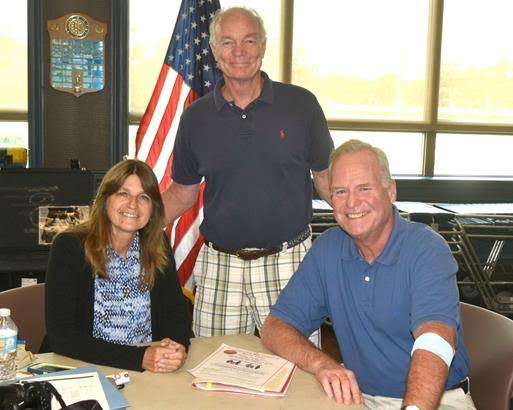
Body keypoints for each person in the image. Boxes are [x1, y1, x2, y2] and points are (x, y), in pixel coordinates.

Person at [261, 140, 476, 410]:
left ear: (391, 191)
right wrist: (322, 364)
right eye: (340, 191)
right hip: (358, 398)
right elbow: (275, 328)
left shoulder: (427, 249)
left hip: (438, 400)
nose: (352, 202)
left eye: (364, 188)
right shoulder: (329, 248)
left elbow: (435, 338)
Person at [162, 6, 333, 341]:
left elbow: (328, 182)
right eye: (227, 42)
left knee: (297, 372)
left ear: (263, 47)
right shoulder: (195, 118)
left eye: (249, 41)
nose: (238, 52)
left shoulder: (302, 106)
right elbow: (181, 194)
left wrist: (382, 228)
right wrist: (121, 229)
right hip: (220, 266)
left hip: (288, 264)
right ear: (213, 51)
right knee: (211, 374)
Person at [44, 159, 191, 373]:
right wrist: (140, 358)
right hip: (83, 367)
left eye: (143, 197)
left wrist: (176, 347)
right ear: (105, 200)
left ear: (153, 208)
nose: (133, 204)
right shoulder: (70, 247)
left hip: (147, 372)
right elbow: (61, 336)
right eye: (123, 194)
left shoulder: (157, 243)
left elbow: (175, 311)